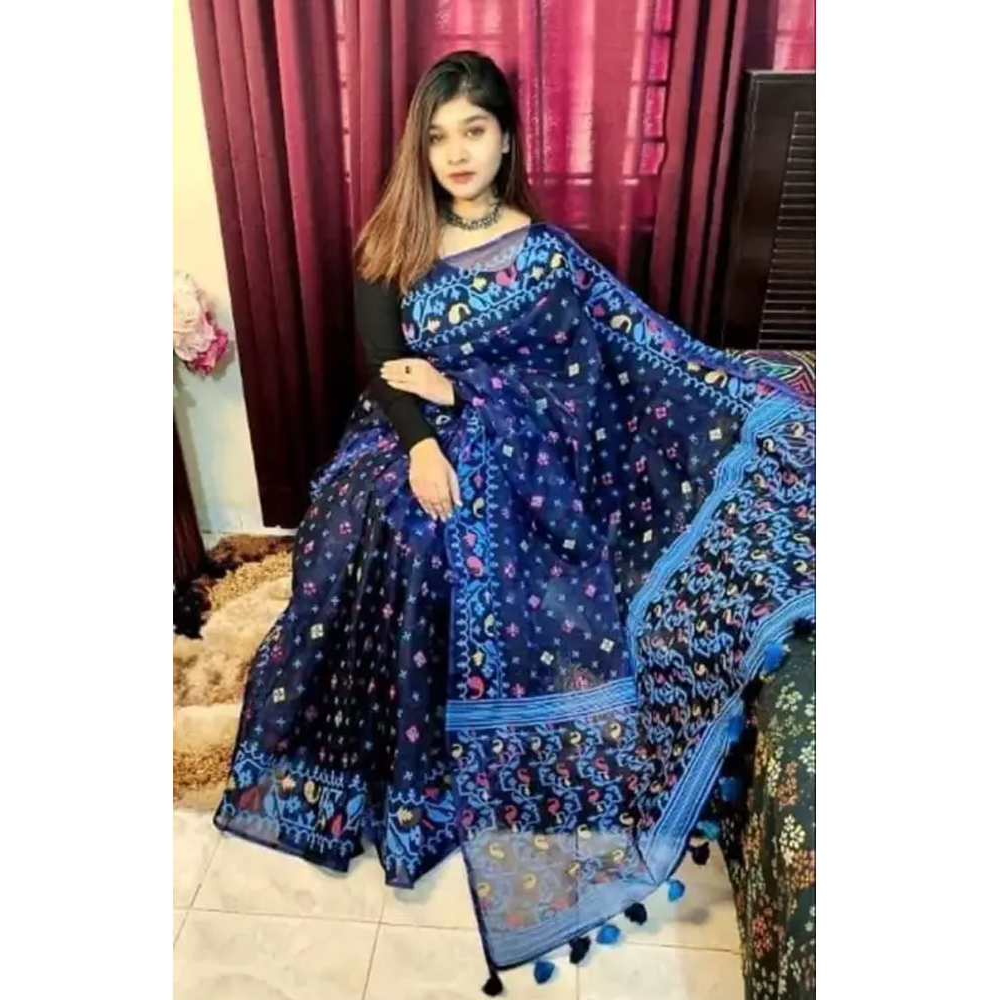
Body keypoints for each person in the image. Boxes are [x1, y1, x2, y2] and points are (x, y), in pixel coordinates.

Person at [214, 50, 815, 992]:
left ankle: (462, 767)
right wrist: (423, 443)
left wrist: (465, 394)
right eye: (439, 136)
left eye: (475, 131)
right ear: (420, 147)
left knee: (453, 540)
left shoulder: (547, 255)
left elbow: (587, 385)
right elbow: (383, 367)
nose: (457, 153)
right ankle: (398, 774)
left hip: (519, 447)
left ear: (505, 139)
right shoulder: (392, 240)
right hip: (398, 436)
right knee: (376, 520)